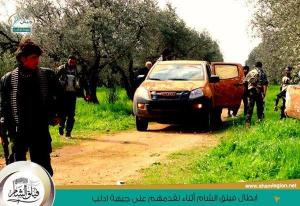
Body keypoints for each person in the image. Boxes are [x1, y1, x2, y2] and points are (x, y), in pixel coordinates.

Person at [0, 38, 63, 176]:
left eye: (38, 57)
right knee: (16, 169)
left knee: (43, 170)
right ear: (22, 58)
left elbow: (60, 96)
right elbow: (4, 105)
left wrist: (57, 114)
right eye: (33, 57)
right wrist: (3, 122)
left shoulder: (47, 75)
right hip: (18, 130)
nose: (37, 61)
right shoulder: (8, 79)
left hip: (39, 129)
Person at [56, 55, 83, 138]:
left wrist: (85, 93)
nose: (72, 63)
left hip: (72, 94)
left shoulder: (77, 70)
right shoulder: (61, 69)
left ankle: (68, 132)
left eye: (73, 61)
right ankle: (61, 127)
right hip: (63, 94)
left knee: (71, 114)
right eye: (70, 61)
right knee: (62, 113)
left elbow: (82, 80)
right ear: (68, 60)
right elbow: (54, 79)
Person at [243, 61, 268, 127]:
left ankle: (247, 123)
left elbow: (245, 82)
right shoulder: (263, 73)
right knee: (259, 107)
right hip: (259, 92)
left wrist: (247, 92)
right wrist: (264, 93)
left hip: (252, 91)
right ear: (261, 66)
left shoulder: (251, 72)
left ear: (255, 66)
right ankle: (260, 121)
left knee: (250, 108)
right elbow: (265, 84)